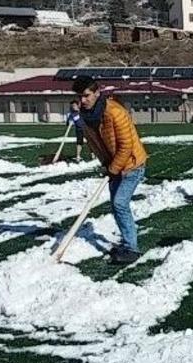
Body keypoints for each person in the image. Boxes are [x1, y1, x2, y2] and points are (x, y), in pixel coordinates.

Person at [72, 75, 148, 264]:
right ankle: (127, 240)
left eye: (86, 95)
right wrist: (107, 165)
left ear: (97, 93)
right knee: (116, 206)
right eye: (80, 96)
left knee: (119, 204)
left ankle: (131, 248)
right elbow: (96, 144)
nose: (83, 100)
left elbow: (126, 146)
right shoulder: (86, 116)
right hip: (113, 165)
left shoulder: (115, 112)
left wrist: (113, 169)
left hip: (132, 165)